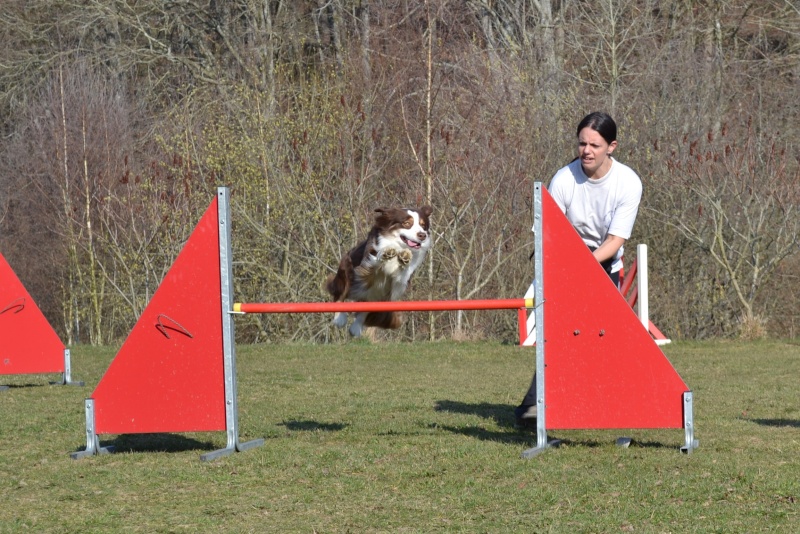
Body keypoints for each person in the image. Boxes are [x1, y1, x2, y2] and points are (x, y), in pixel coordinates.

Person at [515, 111, 643, 428]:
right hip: (565, 257)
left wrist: (587, 266)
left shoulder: (628, 182)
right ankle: (535, 404)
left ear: (611, 147)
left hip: (606, 260)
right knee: (559, 332)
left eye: (595, 145)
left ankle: (608, 404)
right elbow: (547, 235)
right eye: (582, 143)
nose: (586, 151)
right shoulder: (563, 180)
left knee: (602, 336)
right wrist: (569, 266)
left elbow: (615, 240)